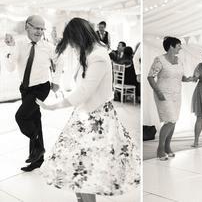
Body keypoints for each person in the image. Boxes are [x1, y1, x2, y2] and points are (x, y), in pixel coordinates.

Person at [36, 17, 140, 202]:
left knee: (87, 175)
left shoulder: (98, 56)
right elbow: (81, 87)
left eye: (73, 43)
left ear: (80, 37)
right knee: (78, 173)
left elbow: (84, 91)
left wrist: (53, 107)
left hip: (97, 120)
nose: (73, 48)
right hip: (86, 115)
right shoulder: (90, 53)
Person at [3, 15, 60, 172]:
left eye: (42, 29)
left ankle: (38, 146)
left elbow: (59, 62)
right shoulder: (19, 45)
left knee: (21, 117)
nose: (40, 32)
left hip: (41, 88)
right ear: (27, 26)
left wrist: (57, 81)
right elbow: (10, 67)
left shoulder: (48, 47)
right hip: (25, 88)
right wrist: (10, 47)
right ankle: (38, 159)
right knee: (35, 120)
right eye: (37, 28)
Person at [148, 36, 193, 160]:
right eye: (178, 45)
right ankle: (160, 149)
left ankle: (168, 147)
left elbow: (181, 77)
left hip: (177, 94)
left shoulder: (179, 60)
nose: (180, 47)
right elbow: (150, 77)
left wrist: (189, 79)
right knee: (170, 120)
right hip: (163, 94)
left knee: (174, 122)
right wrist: (157, 91)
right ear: (171, 46)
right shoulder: (159, 60)